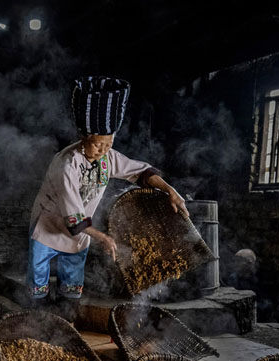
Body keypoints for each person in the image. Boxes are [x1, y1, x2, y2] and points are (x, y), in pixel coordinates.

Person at [27, 76, 189, 317]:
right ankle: (36, 327)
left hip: (79, 236)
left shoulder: (108, 157)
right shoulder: (67, 163)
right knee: (38, 286)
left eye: (109, 142)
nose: (103, 150)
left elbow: (141, 172)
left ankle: (64, 329)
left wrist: (170, 190)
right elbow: (73, 216)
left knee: (71, 288)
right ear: (84, 138)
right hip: (48, 228)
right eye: (97, 144)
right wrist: (103, 237)